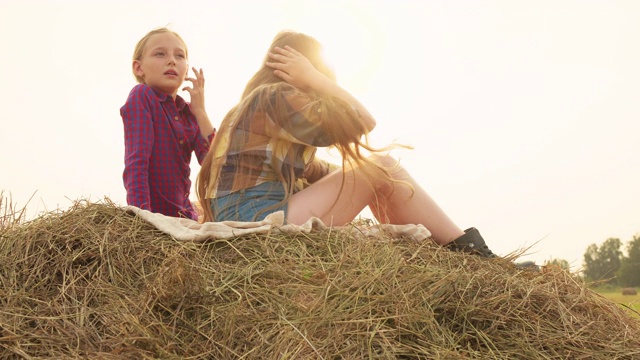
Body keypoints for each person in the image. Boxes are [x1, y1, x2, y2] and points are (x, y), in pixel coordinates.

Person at [195, 30, 495, 258]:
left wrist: (354, 177)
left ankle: (443, 250)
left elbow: (311, 169)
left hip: (250, 222)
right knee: (381, 166)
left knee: (377, 172)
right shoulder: (275, 97)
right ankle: (469, 251)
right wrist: (316, 78)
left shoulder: (255, 106)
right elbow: (364, 121)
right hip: (258, 226)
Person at [121, 27, 215, 220]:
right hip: (155, 216)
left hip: (184, 218)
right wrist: (143, 218)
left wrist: (200, 112)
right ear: (139, 68)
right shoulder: (142, 96)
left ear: (186, 70)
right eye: (160, 54)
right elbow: (136, 162)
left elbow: (215, 166)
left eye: (179, 56)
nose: (172, 60)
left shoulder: (189, 112)